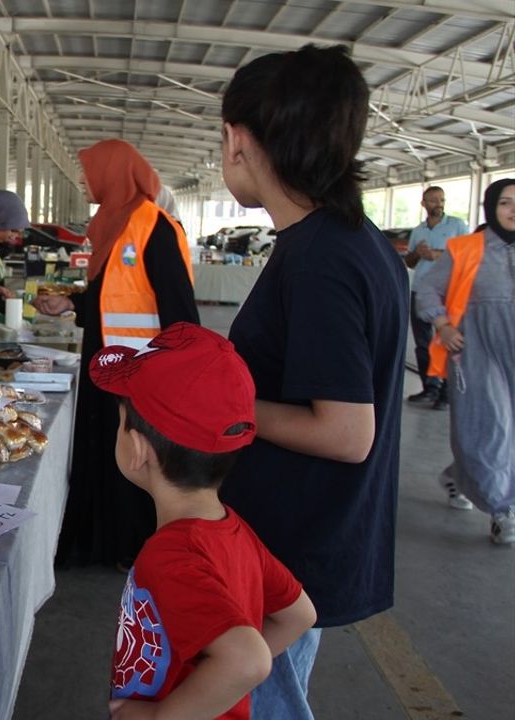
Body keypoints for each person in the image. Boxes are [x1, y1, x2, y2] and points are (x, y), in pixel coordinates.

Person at [215, 45, 408, 718]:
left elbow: (348, 432)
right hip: (303, 536)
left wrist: (227, 403)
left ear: (240, 139)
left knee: (266, 702)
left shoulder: (324, 256)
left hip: (293, 545)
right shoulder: (347, 242)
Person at [90, 323, 316, 720]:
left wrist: (159, 716)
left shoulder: (170, 556)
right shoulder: (235, 530)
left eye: (120, 424)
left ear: (138, 450)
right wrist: (209, 690)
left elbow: (248, 661)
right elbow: (299, 616)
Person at [33, 139, 198, 569]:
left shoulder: (154, 227)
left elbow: (180, 310)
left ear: (113, 173)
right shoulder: (113, 226)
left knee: (135, 462)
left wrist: (176, 375)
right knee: (103, 451)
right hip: (105, 364)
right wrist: (70, 304)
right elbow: (112, 300)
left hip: (140, 374)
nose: (84, 181)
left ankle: (132, 547)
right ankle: (97, 543)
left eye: (89, 172)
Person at [415, 179, 515, 543]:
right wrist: (441, 324)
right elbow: (428, 288)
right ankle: (503, 509)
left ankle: (459, 475)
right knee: (492, 430)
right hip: (479, 353)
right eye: (505, 202)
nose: (513, 209)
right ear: (491, 207)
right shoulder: (467, 248)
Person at [404, 186, 469, 409]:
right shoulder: (418, 230)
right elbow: (409, 262)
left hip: (449, 293)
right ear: (423, 204)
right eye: (433, 200)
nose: (438, 204)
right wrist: (417, 254)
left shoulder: (457, 225)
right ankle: (429, 388)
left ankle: (448, 392)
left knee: (448, 340)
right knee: (422, 344)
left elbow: (468, 255)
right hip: (420, 292)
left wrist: (438, 254)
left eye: (441, 200)